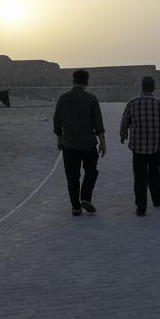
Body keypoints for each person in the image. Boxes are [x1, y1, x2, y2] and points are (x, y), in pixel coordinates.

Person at [120, 76, 160, 216]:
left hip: (138, 148)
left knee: (139, 177)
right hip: (155, 148)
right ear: (153, 87)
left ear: (142, 87)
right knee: (154, 174)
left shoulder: (132, 102)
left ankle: (141, 207)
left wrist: (123, 135)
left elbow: (124, 120)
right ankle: (156, 199)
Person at [53, 69, 106, 216]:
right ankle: (86, 197)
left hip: (69, 144)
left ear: (73, 81)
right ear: (87, 82)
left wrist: (59, 138)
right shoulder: (91, 99)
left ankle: (76, 207)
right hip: (88, 143)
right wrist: (102, 142)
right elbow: (98, 123)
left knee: (72, 176)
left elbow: (57, 121)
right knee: (91, 171)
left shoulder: (63, 99)